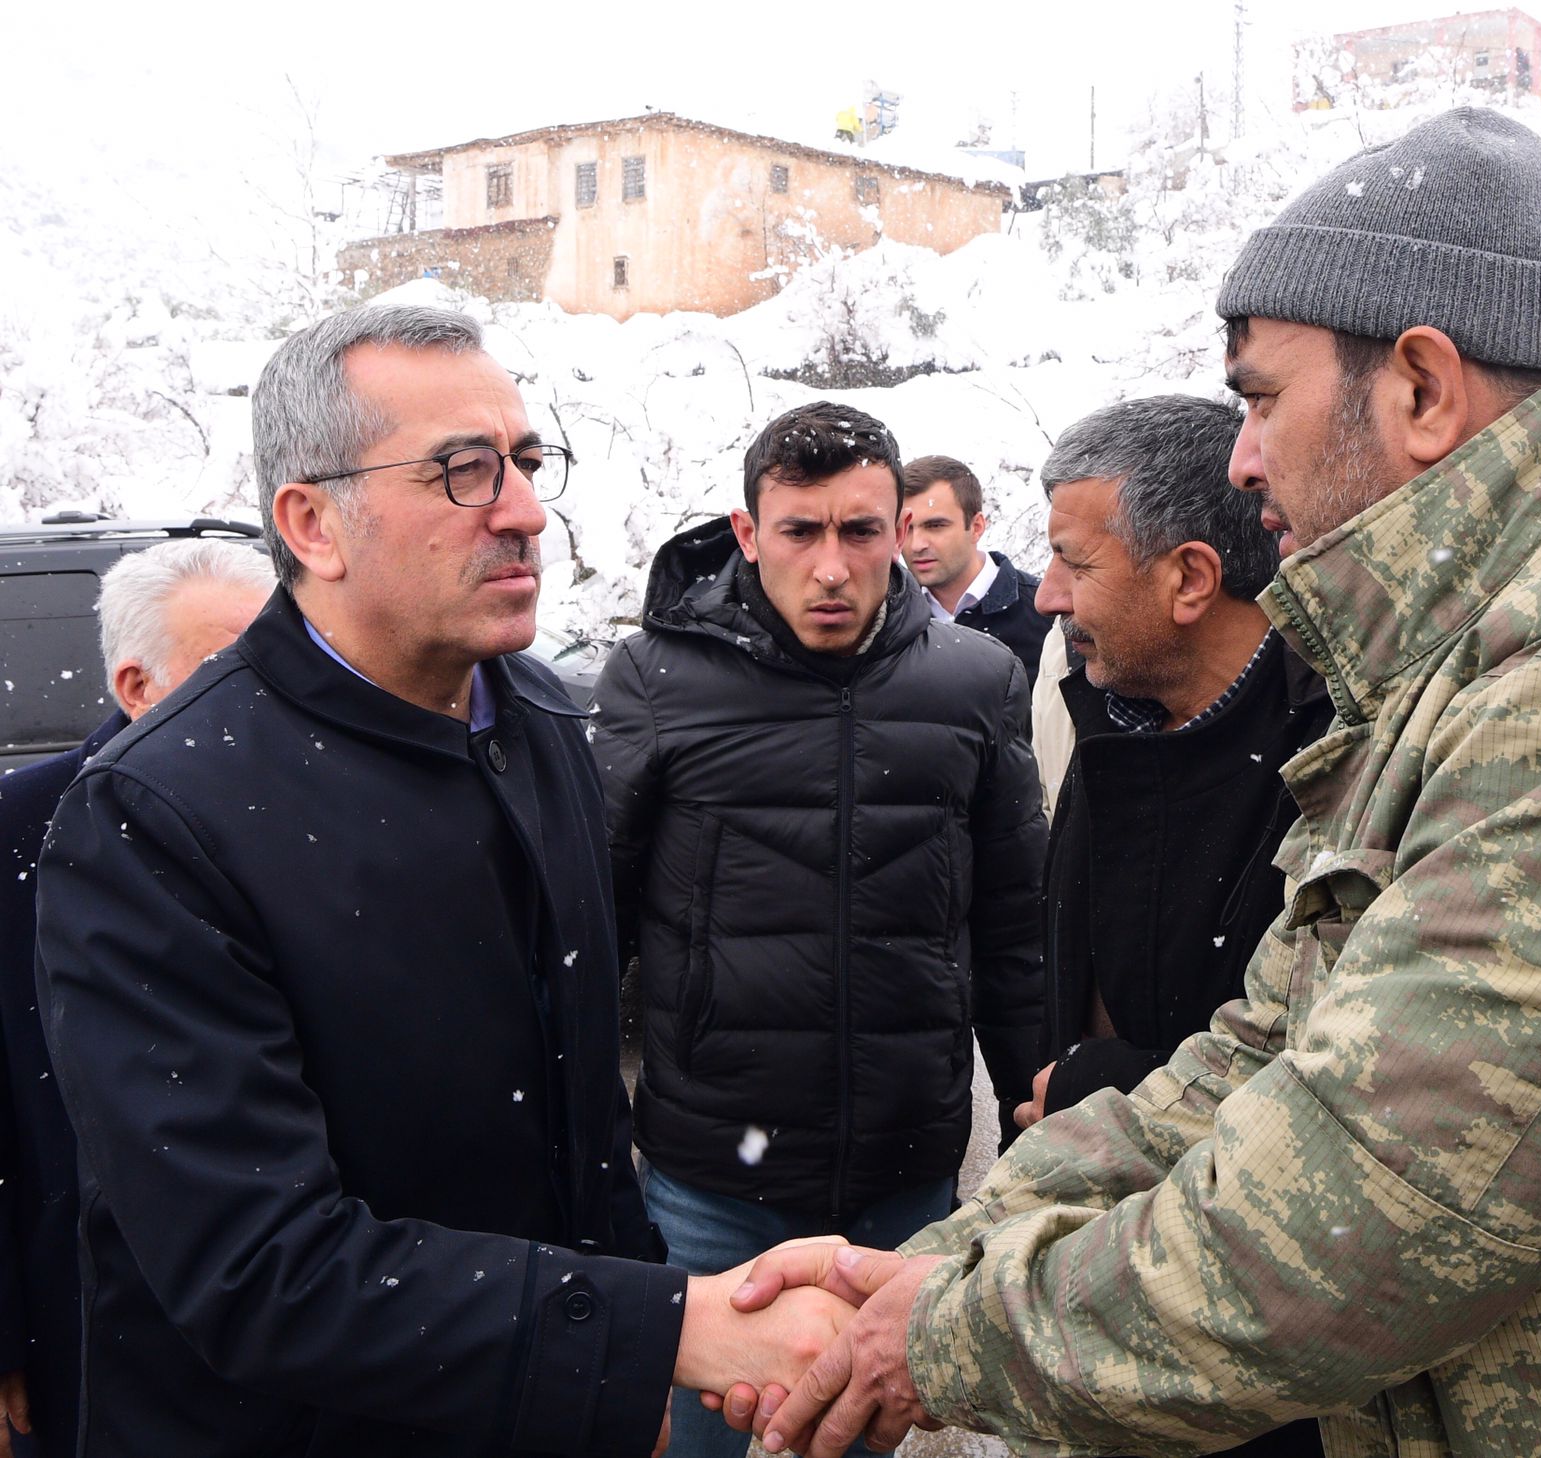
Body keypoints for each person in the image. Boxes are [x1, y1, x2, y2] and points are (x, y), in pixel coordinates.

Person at [719, 108, 1541, 1458]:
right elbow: (1283, 1045)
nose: (1240, 460)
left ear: (1420, 385)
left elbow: (1355, 1218)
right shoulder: (1518, 623)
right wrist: (962, 1253)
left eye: (1258, 398)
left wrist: (938, 1334)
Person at [31, 304, 848, 1458]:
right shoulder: (157, 813)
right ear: (313, 523)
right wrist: (659, 1333)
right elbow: (257, 1268)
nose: (523, 512)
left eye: (525, 462)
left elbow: (579, 1124)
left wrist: (615, 1391)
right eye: (463, 471)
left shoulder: (544, 723)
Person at [590, 401, 1045, 1458]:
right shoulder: (657, 681)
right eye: (800, 531)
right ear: (748, 534)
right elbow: (591, 925)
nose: (832, 566)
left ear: (899, 529)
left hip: (904, 1171)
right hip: (711, 1175)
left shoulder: (974, 683)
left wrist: (1037, 1127)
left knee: (854, 1440)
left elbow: (1015, 929)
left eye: (860, 531)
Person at [0, 538, 272, 1458]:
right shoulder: (20, 829)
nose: (266, 695)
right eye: (230, 667)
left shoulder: (319, 814)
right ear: (136, 685)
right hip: (80, 1303)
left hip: (285, 1309)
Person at [1013, 396, 1332, 1145]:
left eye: (1075, 562)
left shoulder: (1330, 762)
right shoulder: (1111, 717)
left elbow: (1324, 1083)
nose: (1045, 595)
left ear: (1190, 578)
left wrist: (1095, 1089)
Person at [901, 454, 1054, 686]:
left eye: (935, 526)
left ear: (976, 527)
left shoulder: (1045, 613)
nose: (917, 544)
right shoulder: (891, 618)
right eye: (905, 529)